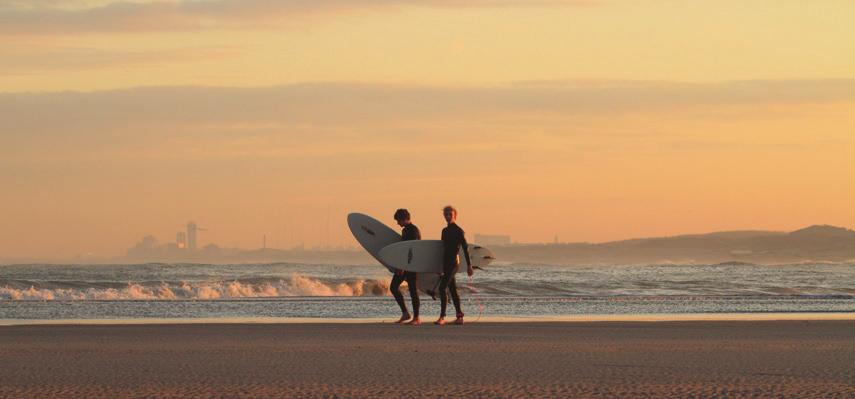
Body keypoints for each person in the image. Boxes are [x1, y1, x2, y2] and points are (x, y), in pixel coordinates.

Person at [435, 205, 473, 326]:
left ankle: (442, 317)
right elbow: (443, 249)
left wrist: (469, 266)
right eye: (445, 214)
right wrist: (440, 266)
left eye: (450, 214)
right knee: (452, 290)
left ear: (455, 216)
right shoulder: (444, 231)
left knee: (442, 288)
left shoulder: (458, 231)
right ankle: (459, 317)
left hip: (453, 263)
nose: (447, 217)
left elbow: (465, 248)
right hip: (446, 263)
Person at [390, 208, 422, 325]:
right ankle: (405, 313)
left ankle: (417, 318)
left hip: (412, 265)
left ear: (403, 219)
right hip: (404, 265)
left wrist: (402, 266)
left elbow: (411, 250)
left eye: (398, 220)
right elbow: (403, 249)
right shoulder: (405, 231)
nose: (397, 223)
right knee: (393, 287)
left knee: (413, 290)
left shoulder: (413, 231)